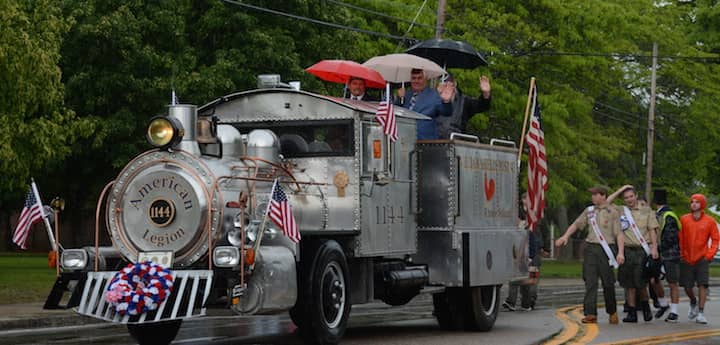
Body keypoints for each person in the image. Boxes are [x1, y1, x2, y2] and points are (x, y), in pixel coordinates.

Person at [555, 184, 624, 324]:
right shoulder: (589, 211)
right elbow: (576, 224)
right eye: (592, 194)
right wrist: (565, 236)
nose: (592, 197)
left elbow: (619, 234)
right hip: (591, 249)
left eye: (595, 194)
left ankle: (612, 311)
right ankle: (590, 313)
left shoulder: (613, 212)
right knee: (590, 282)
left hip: (607, 249)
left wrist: (620, 253)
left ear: (603, 195)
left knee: (608, 283)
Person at [608, 186, 659, 323]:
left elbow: (652, 230)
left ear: (636, 196)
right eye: (626, 197)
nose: (629, 199)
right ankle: (632, 313)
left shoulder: (647, 211)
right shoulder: (620, 211)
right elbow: (607, 202)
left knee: (640, 282)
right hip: (626, 250)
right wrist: (621, 189)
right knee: (628, 283)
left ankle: (645, 306)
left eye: (631, 196)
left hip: (641, 250)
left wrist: (654, 248)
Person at [679, 193, 719, 324]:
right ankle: (693, 301)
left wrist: (709, 255)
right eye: (692, 202)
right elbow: (680, 237)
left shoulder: (710, 221)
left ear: (702, 204)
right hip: (686, 258)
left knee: (703, 285)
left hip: (702, 258)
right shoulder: (684, 219)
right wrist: (681, 253)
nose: (694, 204)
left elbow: (715, 239)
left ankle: (701, 313)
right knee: (687, 287)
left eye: (697, 202)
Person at [503, 192, 542, 312]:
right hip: (519, 251)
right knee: (516, 277)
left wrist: (543, 247)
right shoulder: (517, 213)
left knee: (530, 279)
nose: (526, 200)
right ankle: (511, 301)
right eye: (524, 198)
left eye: (528, 198)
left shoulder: (536, 215)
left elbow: (539, 233)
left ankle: (529, 301)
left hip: (532, 250)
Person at [649, 188, 682, 322]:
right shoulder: (657, 214)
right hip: (658, 253)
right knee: (654, 280)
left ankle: (674, 312)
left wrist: (656, 248)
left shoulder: (668, 215)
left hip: (669, 254)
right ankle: (663, 304)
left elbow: (670, 238)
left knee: (672, 283)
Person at [396, 68, 454, 140]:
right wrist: (399, 99)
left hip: (425, 142)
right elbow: (396, 114)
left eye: (419, 78)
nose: (416, 81)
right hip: (404, 139)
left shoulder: (434, 95)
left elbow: (447, 112)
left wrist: (446, 101)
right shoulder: (405, 95)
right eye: (413, 78)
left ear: (425, 79)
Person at [437, 75, 491, 139]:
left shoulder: (464, 101)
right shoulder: (432, 101)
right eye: (443, 85)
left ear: (455, 85)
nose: (446, 89)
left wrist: (486, 93)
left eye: (449, 85)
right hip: (431, 141)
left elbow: (481, 105)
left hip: (455, 142)